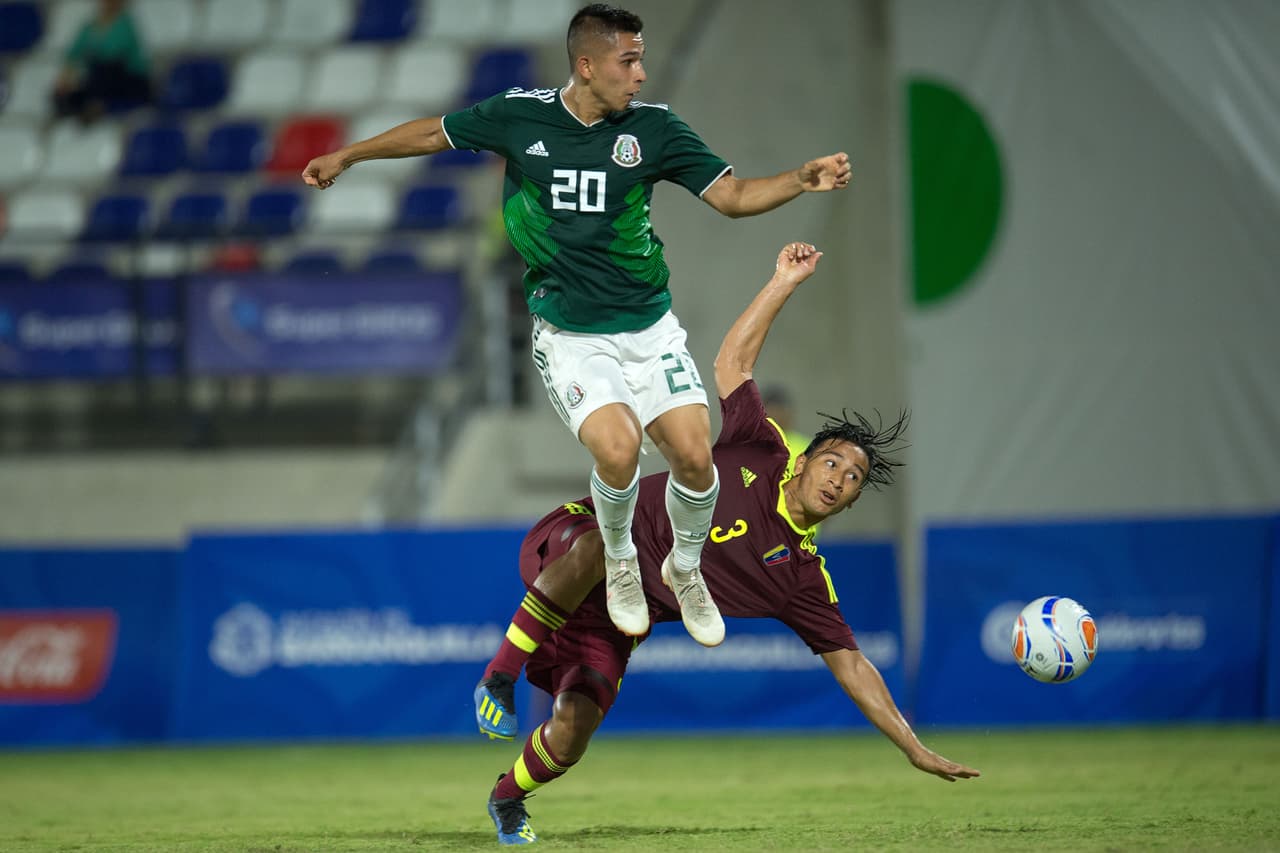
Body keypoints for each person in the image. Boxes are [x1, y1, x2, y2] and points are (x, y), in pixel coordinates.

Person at [301, 4, 852, 650]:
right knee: (617, 450)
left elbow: (730, 197)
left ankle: (684, 564)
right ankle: (621, 558)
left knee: (696, 458)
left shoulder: (655, 130)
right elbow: (433, 135)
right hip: (571, 333)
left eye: (643, 58)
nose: (641, 74)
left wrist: (799, 179)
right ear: (587, 66)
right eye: (628, 61)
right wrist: (351, 154)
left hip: (650, 329)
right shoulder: (520, 115)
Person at [472, 242, 980, 845]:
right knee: (594, 552)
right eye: (833, 462)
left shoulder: (801, 577)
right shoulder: (762, 447)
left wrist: (912, 747)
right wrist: (783, 282)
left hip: (618, 617)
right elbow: (732, 364)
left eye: (852, 480)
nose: (839, 479)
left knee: (573, 728)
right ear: (802, 461)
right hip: (581, 535)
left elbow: (853, 665)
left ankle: (507, 797)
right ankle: (498, 677)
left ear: (849, 501)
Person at [51, 0, 151, 123]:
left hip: (127, 79)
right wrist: (65, 78)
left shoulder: (126, 24)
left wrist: (92, 52)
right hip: (99, 80)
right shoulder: (89, 27)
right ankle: (87, 108)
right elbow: (73, 54)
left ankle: (97, 106)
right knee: (63, 95)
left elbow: (114, 54)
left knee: (103, 71)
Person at [761, 383, 810, 474]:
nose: (776, 416)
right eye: (771, 412)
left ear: (789, 414)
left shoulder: (807, 448)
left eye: (780, 411)